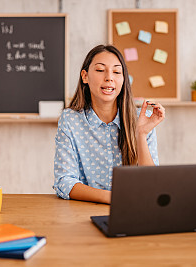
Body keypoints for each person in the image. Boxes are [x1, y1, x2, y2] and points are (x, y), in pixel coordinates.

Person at [53, 44, 165, 204]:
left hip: (135, 209)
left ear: (123, 79)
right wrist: (114, 198)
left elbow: (153, 185)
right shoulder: (71, 119)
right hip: (85, 212)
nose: (109, 77)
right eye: (100, 70)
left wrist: (141, 134)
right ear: (85, 76)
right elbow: (64, 182)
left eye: (117, 72)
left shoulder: (142, 118)